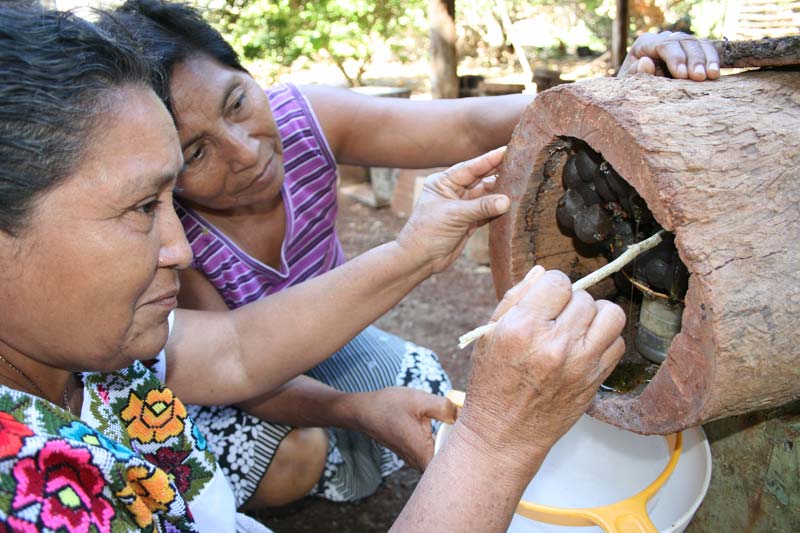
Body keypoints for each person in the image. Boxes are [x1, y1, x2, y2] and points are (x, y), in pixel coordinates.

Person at [0, 5, 626, 532]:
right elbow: (248, 375)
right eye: (141, 207)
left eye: (239, 103)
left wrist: (416, 250)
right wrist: (496, 444)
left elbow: (238, 351)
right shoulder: (31, 500)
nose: (180, 247)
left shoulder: (89, 345)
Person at [102, 0, 721, 510]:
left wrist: (612, 87)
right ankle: (330, 454)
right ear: (159, 167)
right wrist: (357, 410)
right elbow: (237, 368)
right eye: (196, 153)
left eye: (237, 103)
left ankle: (346, 444)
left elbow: (460, 127)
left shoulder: (303, 118)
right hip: (243, 382)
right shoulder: (173, 239)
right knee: (301, 459)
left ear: (248, 76)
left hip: (328, 339)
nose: (244, 152)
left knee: (430, 395)